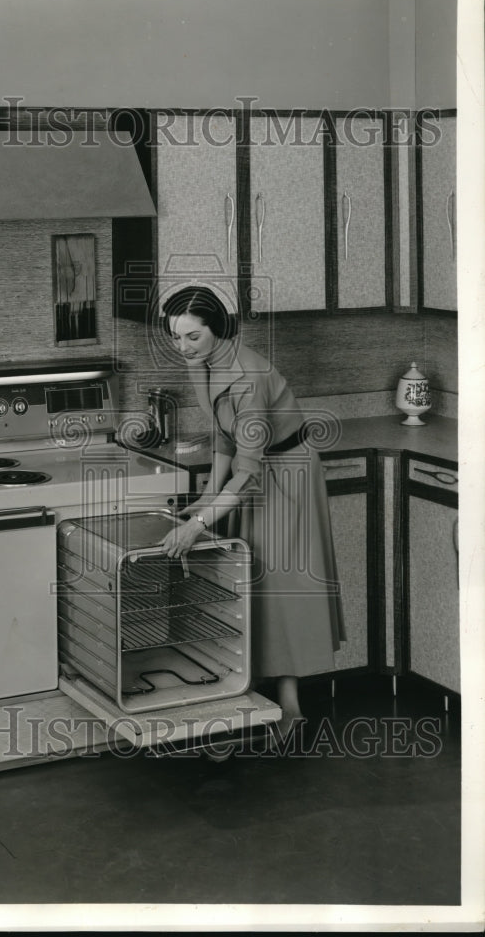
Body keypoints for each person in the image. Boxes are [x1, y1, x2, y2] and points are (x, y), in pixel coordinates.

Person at [159, 285, 345, 739]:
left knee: (279, 584)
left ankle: (290, 707)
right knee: (247, 576)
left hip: (287, 474)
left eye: (192, 337)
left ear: (216, 329)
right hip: (253, 470)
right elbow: (224, 435)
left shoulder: (248, 377)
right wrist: (208, 495)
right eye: (175, 337)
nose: (182, 347)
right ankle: (252, 687)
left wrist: (200, 522)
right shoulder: (203, 362)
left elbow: (248, 470)